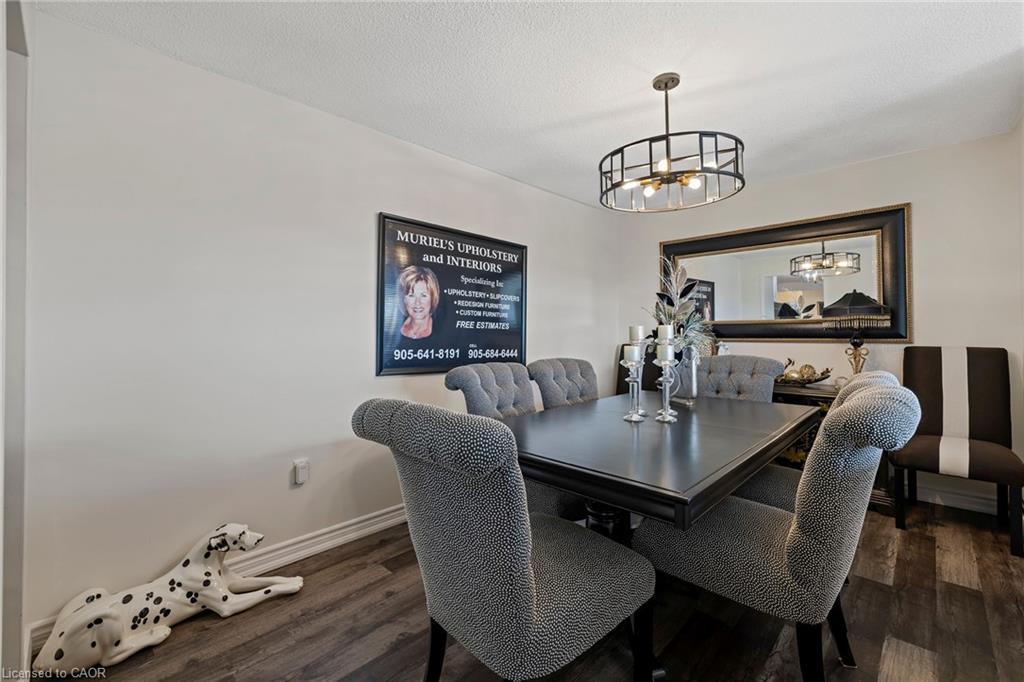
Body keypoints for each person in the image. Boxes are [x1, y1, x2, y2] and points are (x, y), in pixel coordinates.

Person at [397, 265, 441, 340]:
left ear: (433, 298)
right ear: (404, 299)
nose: (417, 303)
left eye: (423, 295)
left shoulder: (444, 332)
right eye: (411, 295)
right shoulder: (393, 330)